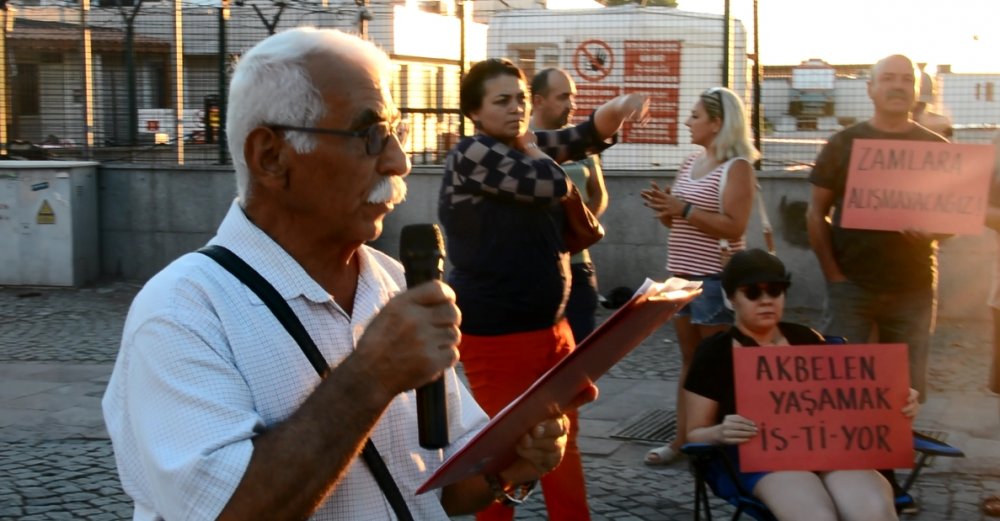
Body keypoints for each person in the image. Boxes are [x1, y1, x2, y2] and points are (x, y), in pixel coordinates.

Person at [102, 28, 596, 521]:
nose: (399, 162)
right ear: (271, 156)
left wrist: (508, 464)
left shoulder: (393, 281)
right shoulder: (181, 311)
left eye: (397, 132)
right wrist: (370, 377)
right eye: (370, 135)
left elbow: (436, 486)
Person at [438, 57, 648, 521]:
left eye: (520, 99)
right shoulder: (472, 153)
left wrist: (619, 107)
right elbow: (551, 183)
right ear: (474, 111)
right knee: (502, 454)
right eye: (502, 101)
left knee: (561, 444)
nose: (516, 109)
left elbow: (581, 137)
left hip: (551, 328)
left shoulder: (520, 145)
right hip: (498, 336)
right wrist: (536, 150)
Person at [805, 54, 949, 513]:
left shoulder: (934, 147)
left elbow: (952, 218)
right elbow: (815, 213)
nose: (898, 85)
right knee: (841, 385)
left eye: (907, 79)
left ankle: (884, 480)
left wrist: (934, 229)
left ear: (917, 90)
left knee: (902, 391)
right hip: (852, 285)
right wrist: (833, 275)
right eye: (888, 78)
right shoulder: (844, 143)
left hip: (913, 288)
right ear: (870, 88)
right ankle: (843, 472)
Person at [684, 249, 919, 521]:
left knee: (873, 513)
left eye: (775, 291)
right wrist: (720, 432)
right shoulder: (714, 354)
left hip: (829, 448)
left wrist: (897, 401)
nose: (766, 300)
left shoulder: (807, 340)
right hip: (762, 457)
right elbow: (694, 433)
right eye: (752, 292)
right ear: (732, 298)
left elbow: (851, 404)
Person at [639, 86, 759, 465]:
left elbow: (734, 226)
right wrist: (666, 210)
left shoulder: (737, 168)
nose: (687, 122)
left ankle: (722, 445)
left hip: (714, 280)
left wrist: (684, 209)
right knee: (690, 361)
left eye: (695, 116)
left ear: (717, 123)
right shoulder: (691, 161)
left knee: (718, 366)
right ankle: (682, 441)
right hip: (681, 279)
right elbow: (679, 221)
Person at [530, 67, 607, 344]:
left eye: (573, 96)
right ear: (539, 101)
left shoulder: (578, 143)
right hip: (535, 269)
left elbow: (598, 194)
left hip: (577, 266)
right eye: (563, 97)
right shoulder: (519, 142)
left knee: (582, 353)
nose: (572, 104)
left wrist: (575, 227)